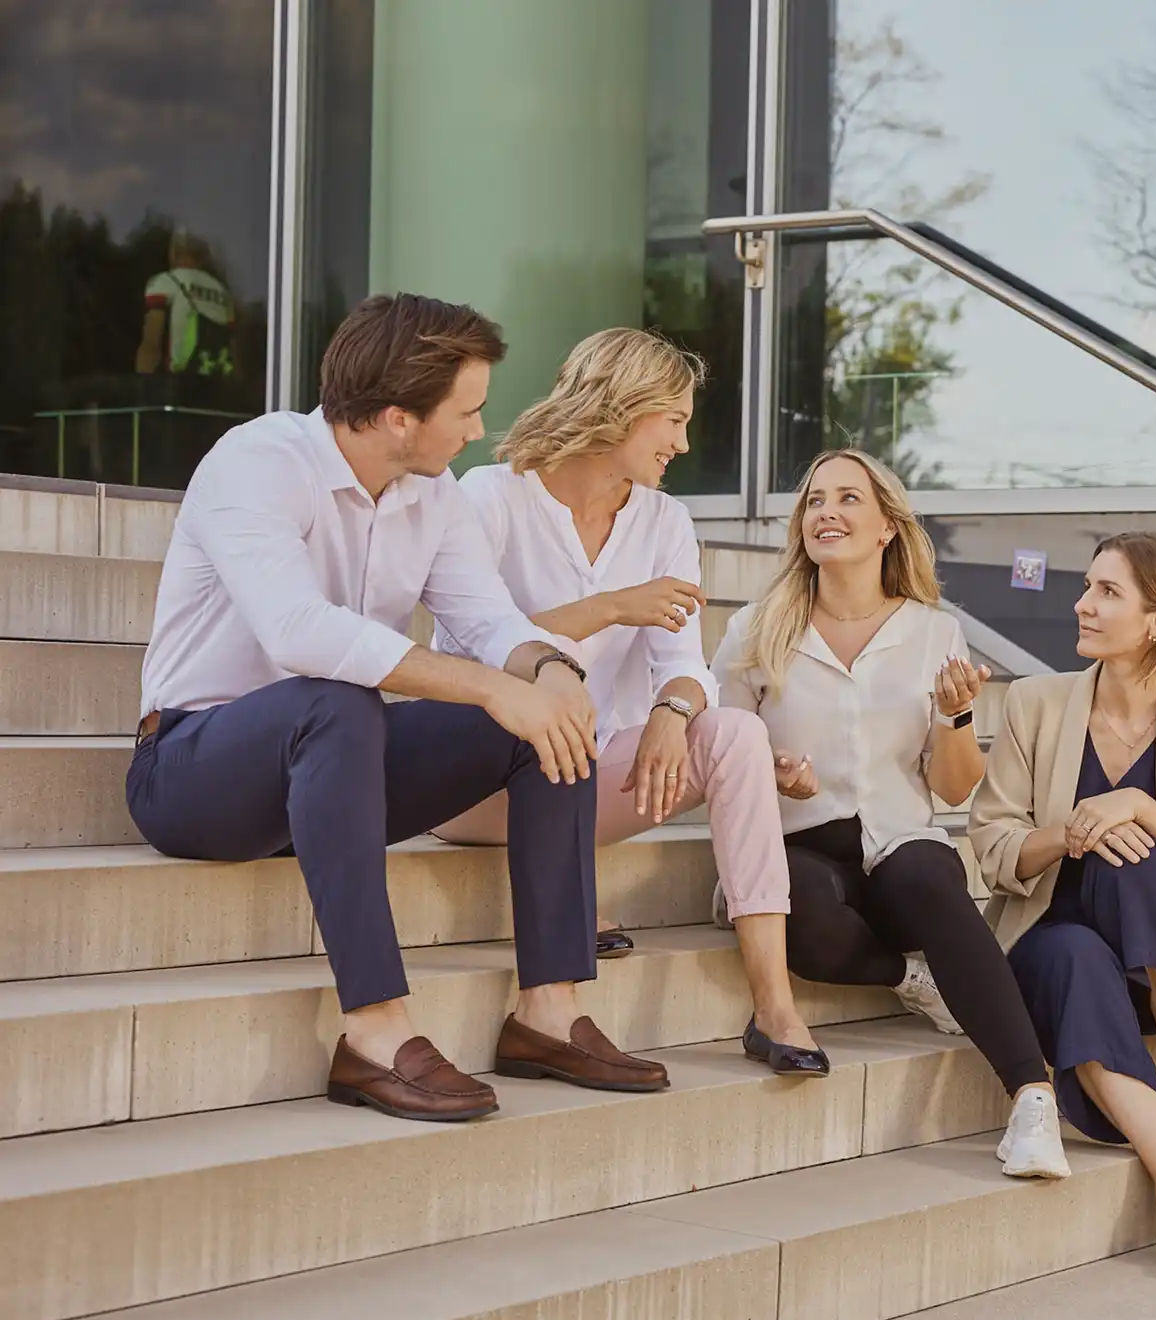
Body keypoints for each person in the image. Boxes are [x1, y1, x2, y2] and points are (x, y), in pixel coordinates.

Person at [128, 293, 666, 1124]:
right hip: (195, 771)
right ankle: (374, 1031)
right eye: (466, 411)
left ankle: (548, 1014)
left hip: (336, 773)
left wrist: (550, 671)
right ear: (395, 418)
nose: (479, 433)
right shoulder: (259, 461)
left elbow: (488, 620)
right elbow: (299, 631)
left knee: (542, 719)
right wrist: (495, 686)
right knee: (337, 701)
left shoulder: (432, 493)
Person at [432, 328, 828, 1076]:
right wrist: (611, 606)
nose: (682, 442)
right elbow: (472, 645)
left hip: (585, 779)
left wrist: (674, 715)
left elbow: (683, 665)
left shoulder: (664, 520)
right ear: (619, 406)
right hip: (472, 783)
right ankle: (565, 931)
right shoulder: (490, 497)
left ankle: (774, 1005)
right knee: (557, 717)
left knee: (736, 733)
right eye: (672, 418)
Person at [712, 448, 1071, 1180]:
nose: (827, 513)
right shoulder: (756, 629)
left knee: (933, 882)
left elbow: (954, 787)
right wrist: (774, 776)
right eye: (815, 501)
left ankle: (1034, 1099)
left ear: (886, 528)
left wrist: (956, 717)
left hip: (901, 839)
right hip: (796, 842)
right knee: (802, 913)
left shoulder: (932, 632)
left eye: (848, 499)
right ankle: (913, 976)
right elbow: (718, 764)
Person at [971, 533, 1156, 1272]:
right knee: (1074, 954)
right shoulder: (1035, 703)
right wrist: (1070, 835)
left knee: (1143, 846)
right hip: (1044, 936)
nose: (1082, 604)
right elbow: (993, 846)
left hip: (1154, 954)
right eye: (1087, 586)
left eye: (1106, 592)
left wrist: (1139, 807)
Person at [136, 231, 236, 381]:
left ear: (174, 253)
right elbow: (234, 348)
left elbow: (152, 341)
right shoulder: (222, 292)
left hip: (180, 383)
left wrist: (142, 383)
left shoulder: (166, 281)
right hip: (216, 385)